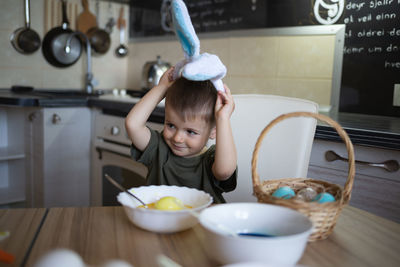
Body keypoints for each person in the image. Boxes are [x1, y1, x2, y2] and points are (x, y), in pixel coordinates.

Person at [125, 67, 237, 203]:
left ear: (214, 131)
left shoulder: (211, 160)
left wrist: (223, 118)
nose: (177, 138)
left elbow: (224, 171)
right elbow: (133, 125)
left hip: (202, 224)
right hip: (160, 223)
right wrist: (162, 88)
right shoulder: (158, 148)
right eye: (171, 125)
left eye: (191, 132)